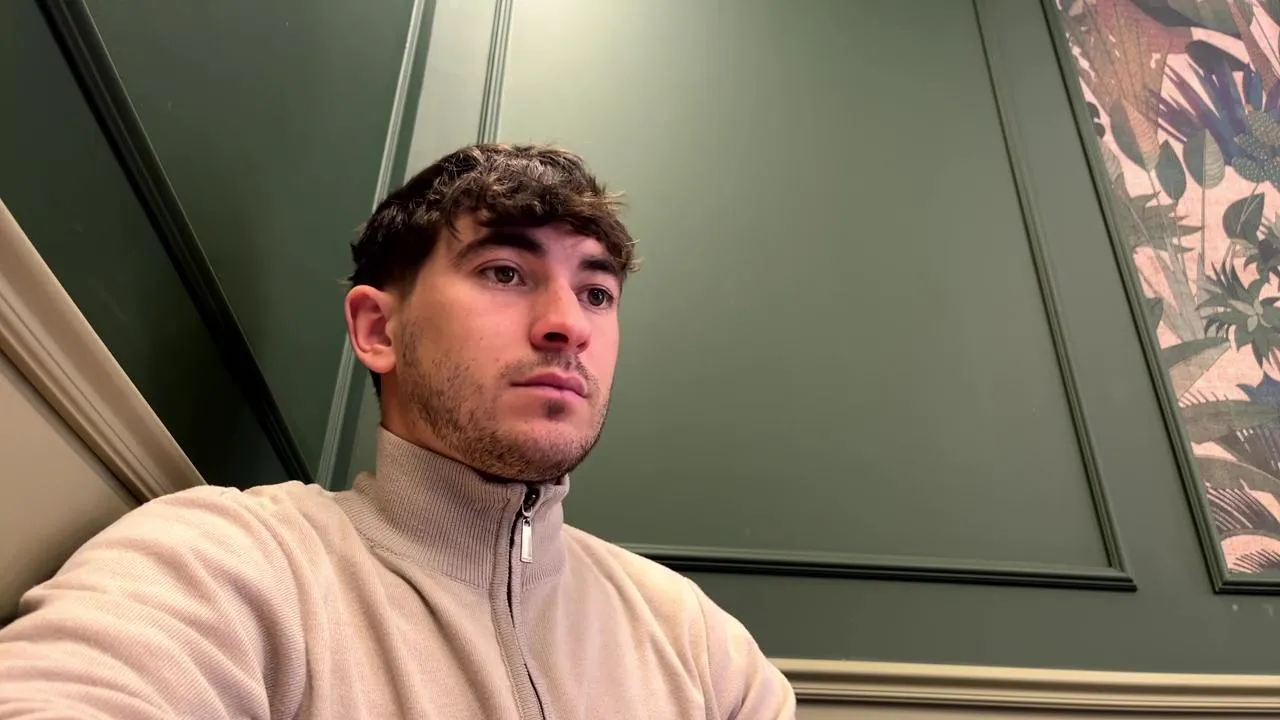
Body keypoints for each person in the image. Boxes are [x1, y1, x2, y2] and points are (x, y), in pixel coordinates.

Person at [0, 143, 797, 719]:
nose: (569, 325)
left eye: (597, 293)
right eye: (505, 272)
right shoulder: (227, 563)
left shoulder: (700, 645)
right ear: (378, 329)